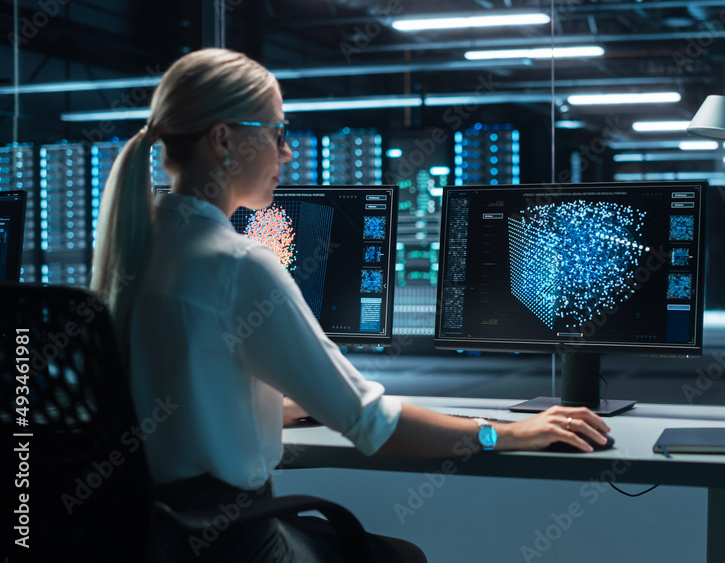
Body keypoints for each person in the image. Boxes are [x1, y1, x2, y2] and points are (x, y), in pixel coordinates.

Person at [91, 48, 609, 562]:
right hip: (233, 544)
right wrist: (506, 433)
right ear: (224, 140)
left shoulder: (138, 246)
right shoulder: (237, 263)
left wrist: (279, 403)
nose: (286, 152)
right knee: (402, 557)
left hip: (154, 536)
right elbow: (370, 422)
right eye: (276, 132)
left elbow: (180, 390)